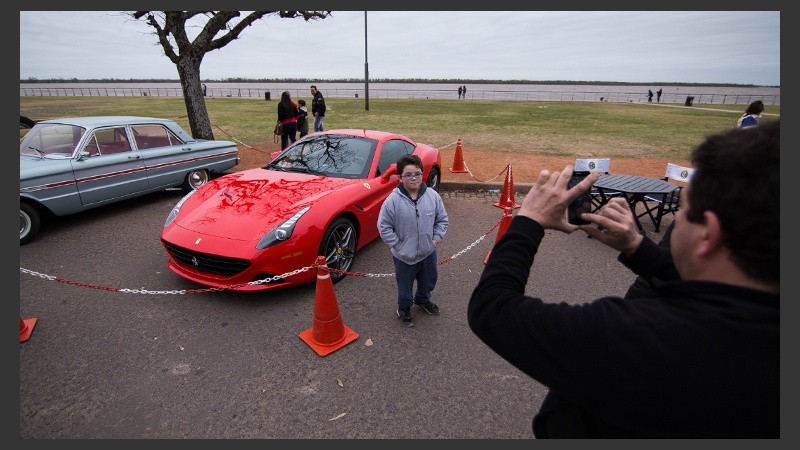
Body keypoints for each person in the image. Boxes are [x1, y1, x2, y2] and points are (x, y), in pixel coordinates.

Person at [468, 121, 779, 438]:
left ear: (708, 234)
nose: (679, 218)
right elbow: (713, 290)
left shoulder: (633, 337)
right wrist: (638, 249)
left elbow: (493, 310)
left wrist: (529, 221)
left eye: (685, 209)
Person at [378, 154, 449, 326]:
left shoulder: (432, 196)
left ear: (422, 173)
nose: (413, 178)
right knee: (405, 288)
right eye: (408, 175)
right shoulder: (393, 201)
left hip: (428, 252)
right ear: (401, 177)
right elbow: (384, 226)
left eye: (417, 173)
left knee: (428, 281)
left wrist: (436, 239)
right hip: (404, 256)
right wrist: (398, 245)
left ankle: (423, 299)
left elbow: (442, 219)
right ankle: (404, 307)